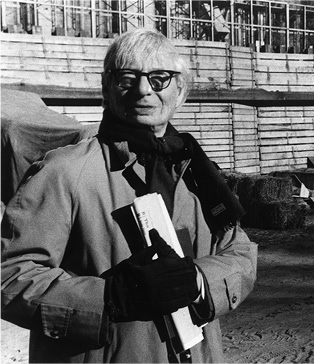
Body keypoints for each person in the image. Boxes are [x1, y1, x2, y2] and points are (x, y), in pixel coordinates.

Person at [1, 29, 257, 363]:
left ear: (181, 91)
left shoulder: (196, 171)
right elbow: (10, 276)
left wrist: (198, 280)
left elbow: (239, 250)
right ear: (106, 89)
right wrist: (109, 298)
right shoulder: (62, 173)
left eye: (159, 78)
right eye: (127, 78)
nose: (143, 90)